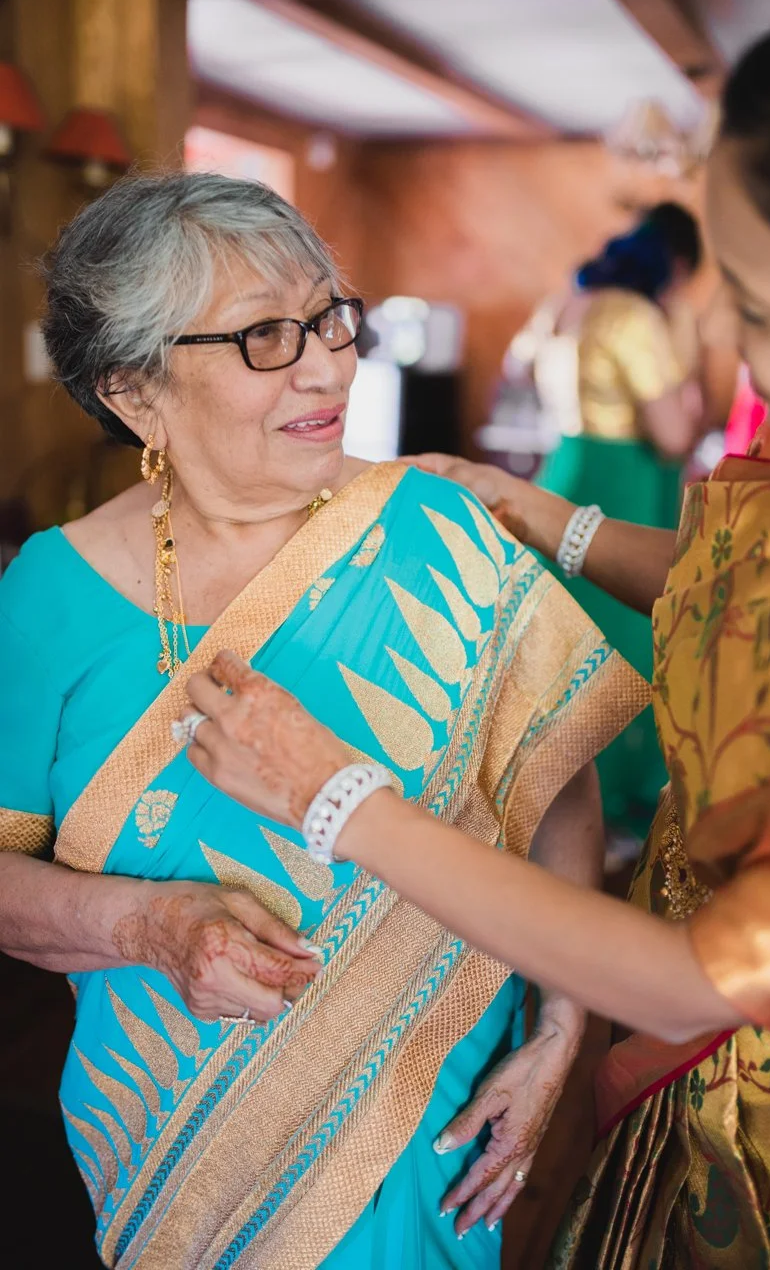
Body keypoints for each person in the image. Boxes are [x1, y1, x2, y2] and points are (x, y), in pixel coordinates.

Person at [180, 0, 770, 1264]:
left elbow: (692, 975)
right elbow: (754, 586)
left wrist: (336, 798)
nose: (721, 332)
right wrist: (546, 516)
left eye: (758, 308)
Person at [0, 172, 645, 1269]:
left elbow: (554, 778)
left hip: (441, 1122)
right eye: (264, 336)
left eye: (330, 317)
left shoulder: (435, 524)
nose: (328, 366)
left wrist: (559, 1025)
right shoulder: (48, 597)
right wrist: (149, 928)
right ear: (135, 392)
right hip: (182, 1160)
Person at [534, 203, 705, 839]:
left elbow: (516, 370)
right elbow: (672, 434)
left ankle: (551, 800)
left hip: (564, 472)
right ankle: (617, 803)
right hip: (622, 487)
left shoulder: (566, 302)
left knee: (567, 644)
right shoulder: (634, 316)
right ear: (677, 265)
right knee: (627, 645)